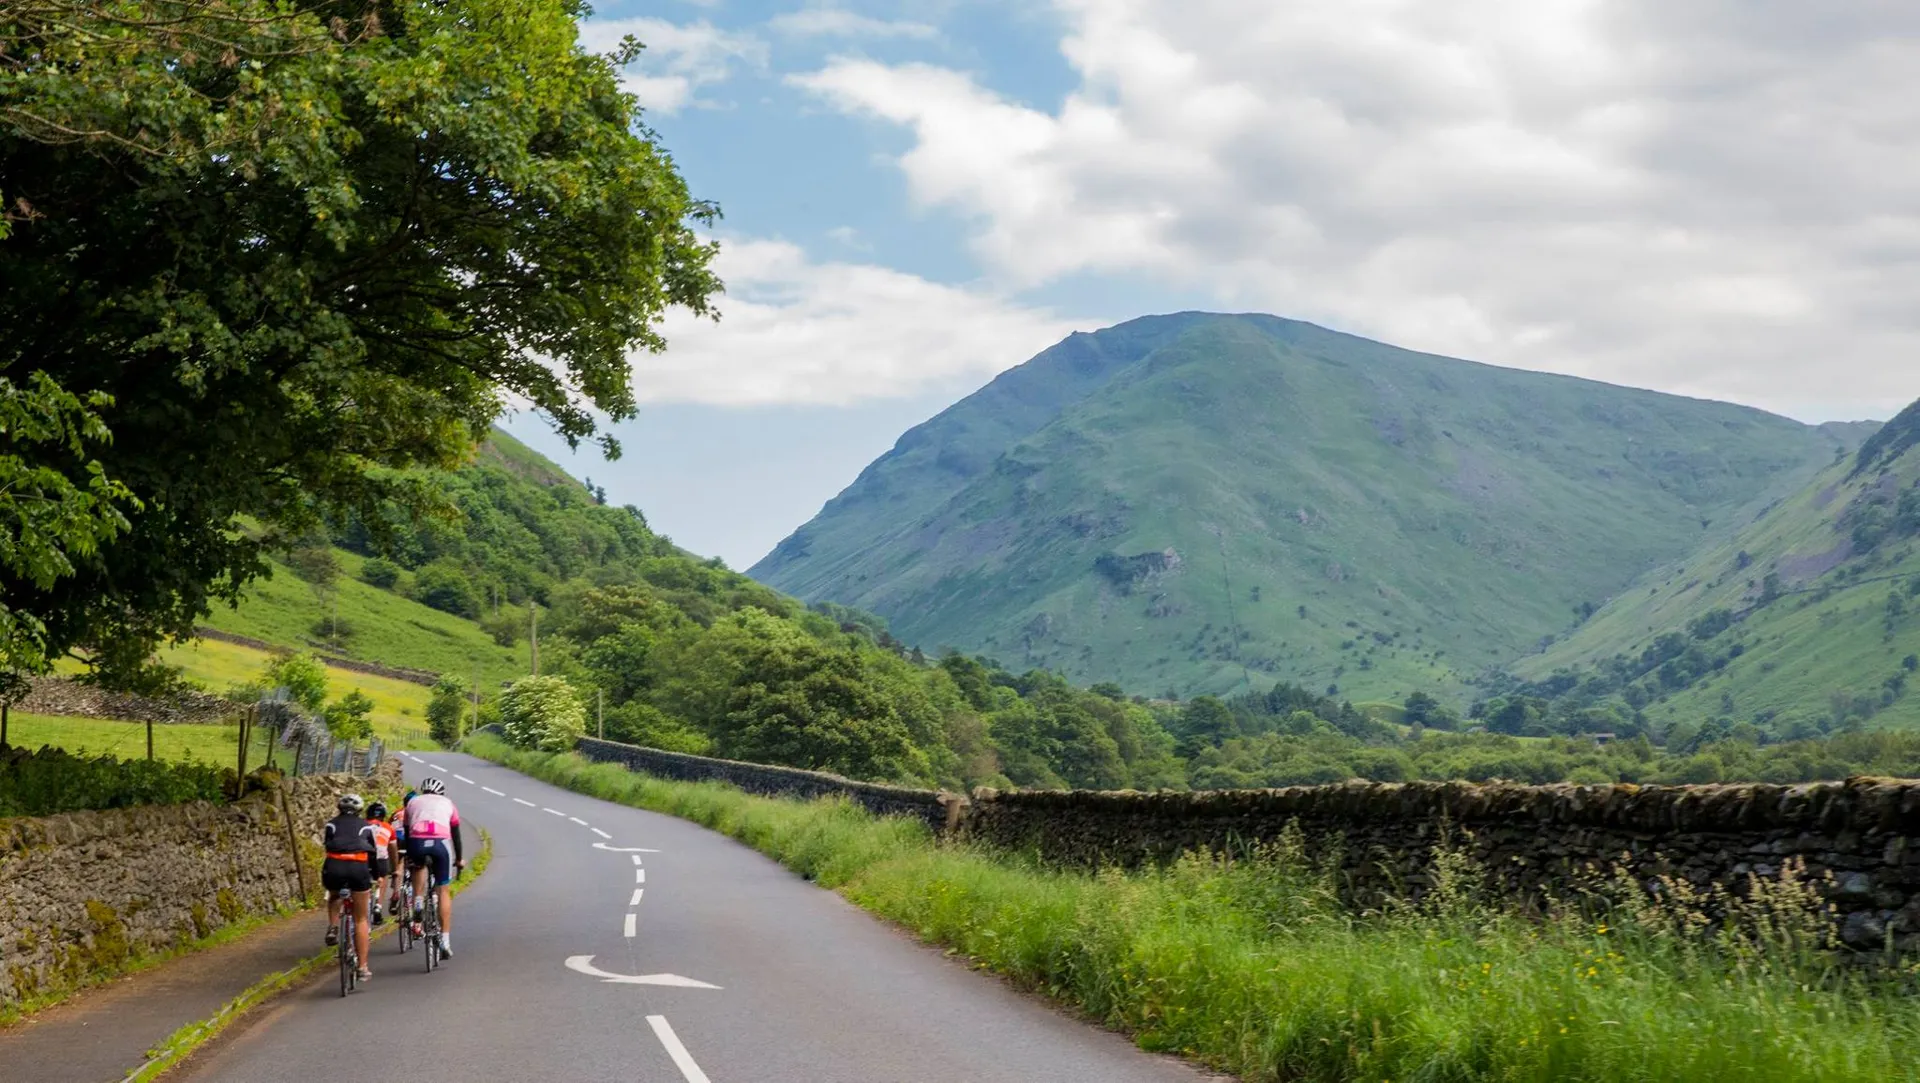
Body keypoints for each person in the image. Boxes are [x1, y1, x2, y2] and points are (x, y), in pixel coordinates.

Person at [399, 777, 465, 957]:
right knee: (443, 890)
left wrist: (411, 853)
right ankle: (445, 941)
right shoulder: (449, 804)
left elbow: (406, 831)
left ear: (423, 791)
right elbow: (456, 836)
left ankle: (418, 902)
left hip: (417, 842)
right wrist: (459, 860)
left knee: (418, 867)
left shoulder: (412, 802)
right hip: (440, 843)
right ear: (441, 793)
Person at [321, 793, 377, 983]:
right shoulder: (366, 826)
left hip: (334, 868)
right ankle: (362, 967)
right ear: (360, 810)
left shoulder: (331, 824)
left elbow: (327, 846)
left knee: (334, 896)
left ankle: (333, 926)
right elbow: (373, 853)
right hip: (358, 869)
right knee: (361, 919)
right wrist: (376, 875)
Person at [364, 801, 398, 926]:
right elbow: (393, 850)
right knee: (383, 878)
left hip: (364, 858)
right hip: (381, 859)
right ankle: (378, 905)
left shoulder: (362, 825)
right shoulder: (388, 827)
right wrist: (395, 869)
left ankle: (364, 905)